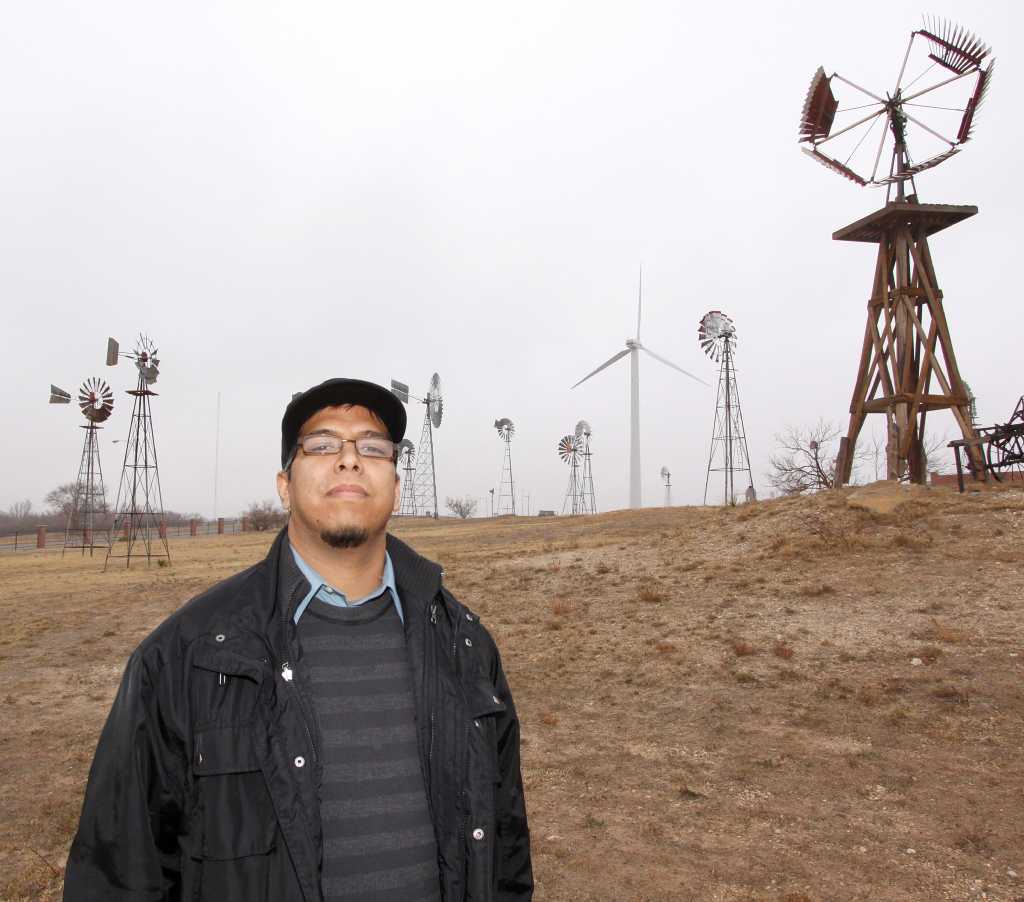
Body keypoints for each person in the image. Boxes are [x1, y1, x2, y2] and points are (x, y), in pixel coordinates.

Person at [64, 378, 533, 902]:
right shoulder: (186, 655)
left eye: (373, 448)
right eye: (324, 444)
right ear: (285, 484)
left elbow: (505, 849)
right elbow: (119, 874)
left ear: (397, 486)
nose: (350, 459)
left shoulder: (465, 646)